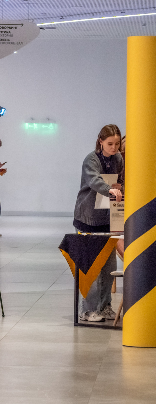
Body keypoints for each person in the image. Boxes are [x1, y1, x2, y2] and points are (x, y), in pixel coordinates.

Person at [73, 124, 123, 322]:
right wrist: (110, 189)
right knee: (91, 268)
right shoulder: (91, 159)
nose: (114, 148)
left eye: (117, 144)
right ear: (100, 141)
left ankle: (105, 306)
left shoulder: (118, 159)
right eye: (110, 144)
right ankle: (88, 310)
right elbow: (94, 181)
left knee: (108, 267)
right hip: (87, 219)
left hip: (107, 218)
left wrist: (120, 189)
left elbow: (121, 180)